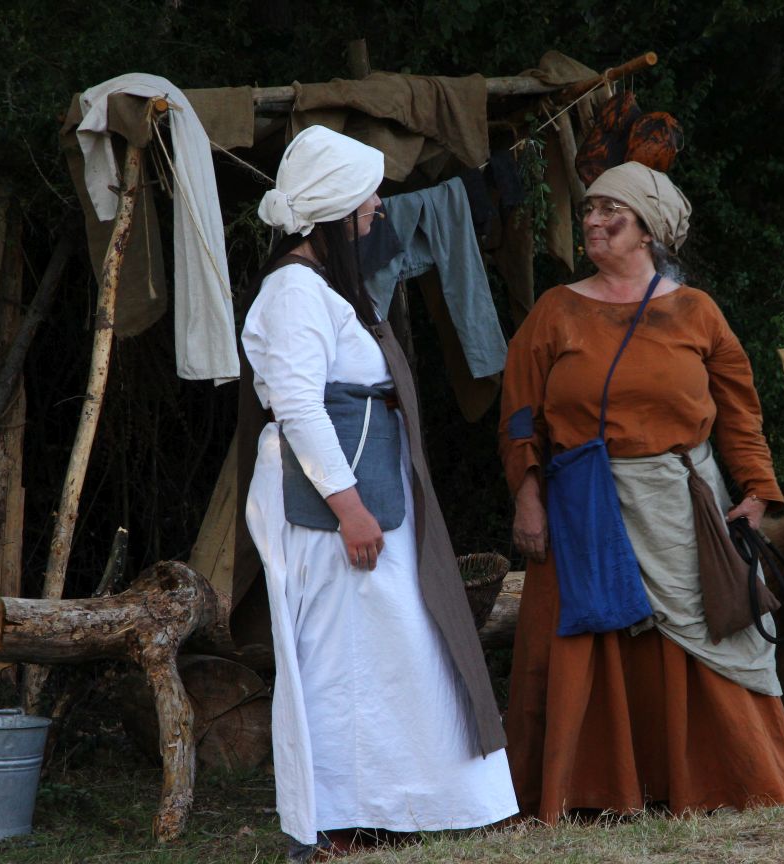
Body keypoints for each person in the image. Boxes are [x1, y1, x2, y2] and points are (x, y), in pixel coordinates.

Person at [499, 161, 784, 823]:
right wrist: (527, 495)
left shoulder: (696, 312)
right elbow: (520, 413)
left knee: (709, 633)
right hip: (581, 504)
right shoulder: (555, 312)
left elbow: (739, 412)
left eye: (610, 211)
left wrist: (757, 490)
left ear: (648, 230)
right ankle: (588, 793)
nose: (592, 222)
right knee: (584, 641)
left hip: (680, 502)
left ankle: (729, 780)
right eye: (589, 210)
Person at [243, 125, 518, 860]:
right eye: (366, 200)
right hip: (337, 504)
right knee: (337, 654)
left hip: (366, 490)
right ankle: (330, 820)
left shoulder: (323, 286)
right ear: (332, 213)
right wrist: (349, 509)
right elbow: (299, 407)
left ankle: (387, 807)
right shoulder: (294, 292)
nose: (376, 210)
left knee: (388, 646)